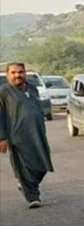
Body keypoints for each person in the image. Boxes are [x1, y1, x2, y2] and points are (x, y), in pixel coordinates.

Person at [0, 62, 54, 208]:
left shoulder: (32, 88)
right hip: (17, 135)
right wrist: (2, 137)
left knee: (43, 164)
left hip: (37, 133)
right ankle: (32, 197)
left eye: (20, 72)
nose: (17, 75)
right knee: (25, 165)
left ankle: (24, 183)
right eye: (13, 72)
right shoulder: (4, 91)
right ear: (7, 75)